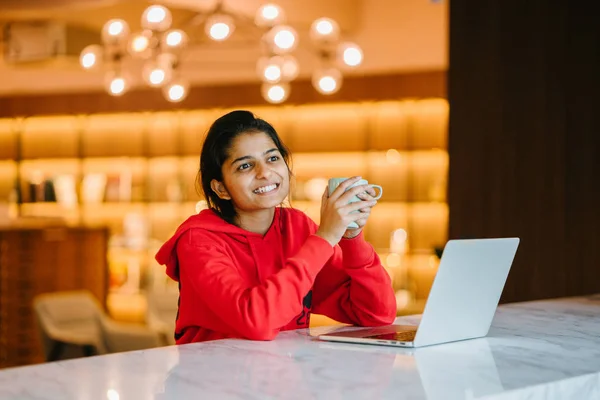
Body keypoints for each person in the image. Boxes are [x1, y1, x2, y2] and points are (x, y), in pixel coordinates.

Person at [155, 110, 396, 344]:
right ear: (221, 189)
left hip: (283, 377)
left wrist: (351, 237)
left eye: (272, 158)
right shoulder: (198, 241)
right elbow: (257, 321)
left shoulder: (298, 227)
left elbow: (375, 314)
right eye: (245, 166)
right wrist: (325, 237)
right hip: (212, 380)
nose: (265, 172)